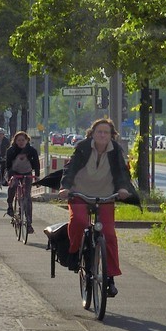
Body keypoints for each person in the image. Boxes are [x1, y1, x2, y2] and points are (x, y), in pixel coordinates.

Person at [58, 118, 136, 297]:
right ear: (92, 133)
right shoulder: (83, 147)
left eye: (106, 132)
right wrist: (65, 187)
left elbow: (122, 172)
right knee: (78, 221)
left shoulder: (115, 150)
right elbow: (70, 169)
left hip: (105, 196)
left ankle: (110, 277)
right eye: (99, 132)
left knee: (109, 234)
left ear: (111, 135)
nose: (102, 135)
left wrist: (123, 188)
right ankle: (74, 252)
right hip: (80, 193)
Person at [4, 131, 41, 229]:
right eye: (18, 140)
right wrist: (10, 177)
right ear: (15, 141)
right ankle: (10, 206)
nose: (21, 142)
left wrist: (37, 176)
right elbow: (8, 166)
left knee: (27, 197)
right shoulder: (11, 151)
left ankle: (29, 222)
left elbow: (36, 164)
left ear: (27, 140)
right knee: (14, 185)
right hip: (14, 172)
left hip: (27, 173)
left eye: (23, 140)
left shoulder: (32, 151)